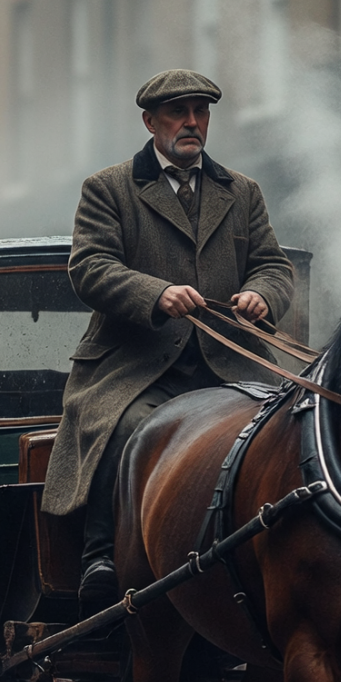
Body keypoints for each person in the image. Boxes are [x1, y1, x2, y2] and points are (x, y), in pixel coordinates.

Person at [35, 69, 297, 614]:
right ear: (151, 122)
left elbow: (273, 265)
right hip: (136, 369)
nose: (192, 123)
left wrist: (262, 296)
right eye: (179, 113)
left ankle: (284, 550)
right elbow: (89, 267)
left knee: (294, 426)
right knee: (131, 427)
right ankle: (102, 553)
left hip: (230, 366)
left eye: (201, 112)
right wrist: (155, 294)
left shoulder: (242, 191)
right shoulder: (109, 188)